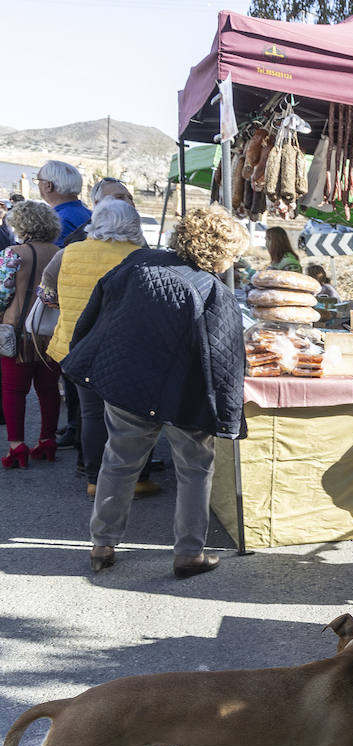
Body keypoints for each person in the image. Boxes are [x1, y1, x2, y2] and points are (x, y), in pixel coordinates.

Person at [64, 205, 249, 577]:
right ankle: (189, 553)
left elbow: (96, 313)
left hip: (127, 383)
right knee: (195, 469)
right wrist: (230, 418)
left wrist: (84, 353)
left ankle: (102, 545)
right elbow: (227, 362)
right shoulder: (213, 290)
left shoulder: (138, 263)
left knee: (118, 462)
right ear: (222, 252)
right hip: (185, 394)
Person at [42, 200, 152, 496]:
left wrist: (56, 299)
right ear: (133, 225)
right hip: (123, 350)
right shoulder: (140, 256)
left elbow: (47, 292)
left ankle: (94, 479)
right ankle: (135, 478)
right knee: (132, 417)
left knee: (91, 415)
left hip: (75, 348)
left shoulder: (69, 252)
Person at [0, 200, 62, 469]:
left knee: (13, 390)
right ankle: (47, 440)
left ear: (21, 225)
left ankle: (17, 446)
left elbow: (2, 295)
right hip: (52, 332)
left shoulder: (12, 254)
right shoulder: (62, 253)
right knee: (48, 390)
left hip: (17, 332)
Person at [62, 178, 138, 246]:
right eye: (119, 197)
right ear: (98, 204)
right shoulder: (77, 241)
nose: (129, 202)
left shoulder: (136, 236)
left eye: (130, 198)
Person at [36, 160, 91, 248]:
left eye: (38, 180)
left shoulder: (55, 222)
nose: (38, 185)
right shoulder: (90, 214)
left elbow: (53, 257)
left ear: (49, 186)